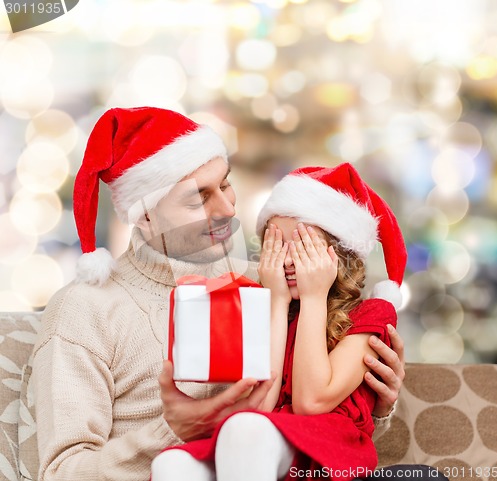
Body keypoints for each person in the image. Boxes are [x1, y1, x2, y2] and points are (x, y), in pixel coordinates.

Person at [32, 107, 405, 481]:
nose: (227, 209)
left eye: (226, 185)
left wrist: (375, 401)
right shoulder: (84, 310)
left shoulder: (267, 283)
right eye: (198, 199)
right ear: (145, 215)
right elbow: (61, 473)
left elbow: (308, 421)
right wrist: (173, 431)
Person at [151, 163, 409, 481]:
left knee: (244, 428)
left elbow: (310, 402)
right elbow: (262, 404)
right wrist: (276, 300)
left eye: (302, 247)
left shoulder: (371, 314)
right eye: (275, 246)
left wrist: (315, 297)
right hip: (261, 445)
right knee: (171, 464)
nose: (287, 260)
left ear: (340, 255)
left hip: (325, 453)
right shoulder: (264, 307)